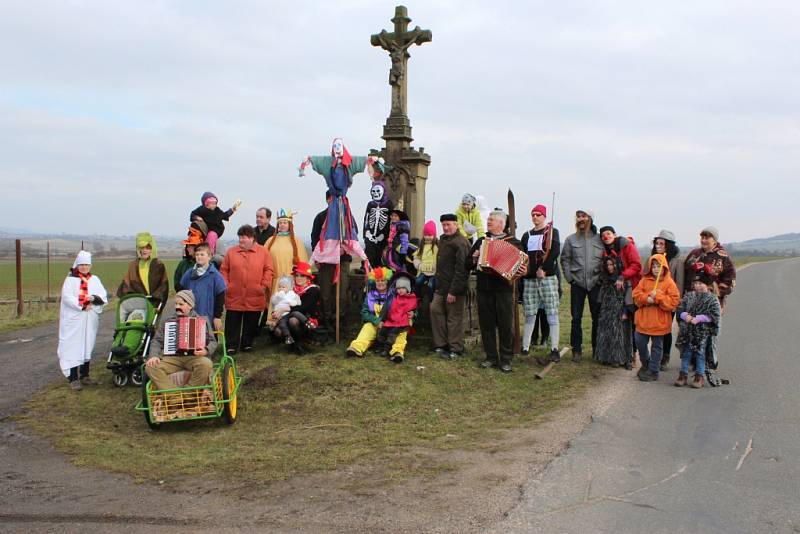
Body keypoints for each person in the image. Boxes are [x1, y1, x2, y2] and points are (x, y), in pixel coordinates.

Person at [299, 138, 374, 264]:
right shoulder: (328, 162)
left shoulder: (349, 162)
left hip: (342, 202)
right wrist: (308, 159)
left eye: (339, 145)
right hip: (335, 202)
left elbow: (361, 160)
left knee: (346, 227)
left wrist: (370, 160)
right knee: (330, 228)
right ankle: (315, 258)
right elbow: (316, 159)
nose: (337, 148)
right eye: (335, 146)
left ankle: (358, 255)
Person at [145, 290, 217, 419]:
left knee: (206, 364)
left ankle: (188, 396)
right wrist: (154, 355)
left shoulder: (202, 320)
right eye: (176, 303)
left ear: (190, 305)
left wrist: (205, 350)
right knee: (150, 367)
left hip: (194, 357)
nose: (177, 307)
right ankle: (174, 396)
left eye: (181, 304)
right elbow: (156, 340)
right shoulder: (168, 321)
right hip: (173, 357)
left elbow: (213, 341)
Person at [469, 209, 525, 373]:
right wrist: (474, 257)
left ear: (501, 223)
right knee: (486, 324)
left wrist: (523, 270)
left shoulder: (513, 242)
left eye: (491, 220)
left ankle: (506, 359)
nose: (488, 221)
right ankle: (491, 357)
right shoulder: (481, 241)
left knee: (505, 325)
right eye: (488, 219)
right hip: (484, 289)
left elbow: (522, 265)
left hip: (503, 290)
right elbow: (468, 263)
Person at [682, 226, 736, 385]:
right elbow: (685, 275)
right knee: (691, 332)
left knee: (710, 335)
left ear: (715, 239)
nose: (704, 240)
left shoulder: (723, 257)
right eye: (702, 237)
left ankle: (709, 367)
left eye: (708, 237)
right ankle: (694, 365)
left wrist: (716, 291)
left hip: (712, 303)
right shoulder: (694, 254)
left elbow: (730, 281)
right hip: (692, 301)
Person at [57, 251, 108, 391]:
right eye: (82, 265)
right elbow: (67, 297)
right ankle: (73, 377)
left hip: (89, 319)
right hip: (75, 320)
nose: (84, 267)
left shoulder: (94, 279)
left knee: (87, 345)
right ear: (78, 265)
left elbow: (103, 296)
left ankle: (85, 375)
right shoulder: (70, 280)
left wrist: (94, 299)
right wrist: (82, 305)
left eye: (87, 264)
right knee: (73, 346)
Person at [221, 225, 274, 354]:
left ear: (252, 238)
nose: (241, 240)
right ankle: (231, 345)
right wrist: (226, 285)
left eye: (244, 237)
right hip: (234, 293)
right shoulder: (231, 252)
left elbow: (269, 269)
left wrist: (263, 285)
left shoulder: (263, 252)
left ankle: (247, 344)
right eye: (240, 237)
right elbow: (224, 270)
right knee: (232, 321)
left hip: (255, 293)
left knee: (251, 321)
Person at [520, 204, 561, 363]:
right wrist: (525, 270)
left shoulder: (552, 232)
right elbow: (523, 255)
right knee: (530, 312)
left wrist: (544, 268)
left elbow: (554, 251)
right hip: (530, 279)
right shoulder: (527, 235)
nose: (535, 217)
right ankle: (525, 347)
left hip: (547, 278)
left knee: (551, 311)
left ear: (544, 216)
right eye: (533, 215)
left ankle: (554, 348)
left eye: (538, 215)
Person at [560, 209, 604, 362]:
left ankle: (597, 350)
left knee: (597, 318)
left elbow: (607, 259)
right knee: (576, 318)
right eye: (578, 217)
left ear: (590, 219)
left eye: (584, 216)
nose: (580, 219)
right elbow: (565, 259)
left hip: (596, 283)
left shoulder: (600, 239)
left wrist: (601, 278)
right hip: (577, 283)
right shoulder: (570, 240)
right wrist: (569, 278)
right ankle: (576, 350)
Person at [633, 254, 680, 382]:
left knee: (657, 347)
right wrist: (647, 298)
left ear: (664, 267)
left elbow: (673, 301)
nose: (656, 269)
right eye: (653, 266)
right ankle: (646, 364)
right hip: (643, 320)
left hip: (659, 322)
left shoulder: (669, 283)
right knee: (639, 341)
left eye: (658, 266)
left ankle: (653, 370)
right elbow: (636, 295)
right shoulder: (644, 280)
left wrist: (658, 298)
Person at [430, 214, 471, 360]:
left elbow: (462, 269)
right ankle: (441, 345)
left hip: (454, 289)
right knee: (435, 310)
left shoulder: (461, 242)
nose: (446, 228)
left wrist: (454, 291)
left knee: (453, 318)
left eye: (449, 225)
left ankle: (455, 348)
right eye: (443, 225)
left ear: (456, 224)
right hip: (440, 287)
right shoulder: (443, 240)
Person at [311, 193, 355, 328]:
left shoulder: (347, 217)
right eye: (332, 199)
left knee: (341, 292)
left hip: (343, 260)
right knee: (325, 292)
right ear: (328, 200)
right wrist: (318, 258)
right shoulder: (320, 217)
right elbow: (315, 239)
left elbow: (353, 236)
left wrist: (346, 248)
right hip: (325, 261)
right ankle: (326, 319)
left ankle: (339, 319)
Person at [674, 265, 721, 388]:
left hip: (702, 332)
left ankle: (699, 376)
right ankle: (683, 374)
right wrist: (685, 316)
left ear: (708, 285)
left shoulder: (712, 299)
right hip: (687, 332)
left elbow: (715, 315)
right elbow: (680, 309)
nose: (698, 286)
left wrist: (700, 318)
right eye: (696, 283)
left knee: (700, 354)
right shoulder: (689, 296)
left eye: (701, 283)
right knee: (686, 353)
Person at [648, 230, 684, 370]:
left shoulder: (677, 262)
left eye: (661, 243)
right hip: (653, 301)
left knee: (665, 329)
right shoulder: (653, 259)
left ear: (668, 245)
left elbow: (679, 283)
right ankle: (656, 355)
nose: (658, 246)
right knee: (654, 328)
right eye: (657, 243)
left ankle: (665, 356)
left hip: (668, 302)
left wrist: (675, 303)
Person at [265, 209, 309, 318]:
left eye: (285, 222)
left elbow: (302, 262)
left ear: (290, 224)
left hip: (291, 281)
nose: (282, 225)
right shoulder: (270, 241)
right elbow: (264, 259)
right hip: (275, 281)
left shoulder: (297, 241)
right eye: (280, 223)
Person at [271, 262, 322, 354]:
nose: (298, 278)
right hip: (287, 316)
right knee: (278, 332)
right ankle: (291, 343)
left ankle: (300, 343)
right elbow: (279, 302)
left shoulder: (313, 290)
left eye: (302, 276)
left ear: (308, 278)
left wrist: (285, 309)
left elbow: (305, 308)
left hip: (305, 318)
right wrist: (276, 311)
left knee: (293, 320)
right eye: (296, 275)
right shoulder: (289, 289)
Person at [346, 267, 394, 357]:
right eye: (377, 281)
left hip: (389, 324)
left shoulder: (393, 295)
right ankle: (355, 348)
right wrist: (376, 321)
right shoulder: (370, 295)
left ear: (387, 281)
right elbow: (365, 313)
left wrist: (385, 322)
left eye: (383, 280)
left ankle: (396, 352)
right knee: (367, 329)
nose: (380, 283)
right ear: (374, 282)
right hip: (373, 323)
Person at [595, 256, 633, 367]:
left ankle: (618, 358)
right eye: (607, 265)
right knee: (606, 334)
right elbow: (601, 296)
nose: (609, 267)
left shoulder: (624, 280)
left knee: (619, 336)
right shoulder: (605, 279)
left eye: (611, 264)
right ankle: (606, 357)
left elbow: (628, 297)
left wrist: (625, 312)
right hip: (606, 311)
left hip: (619, 310)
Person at [179, 243, 226, 331]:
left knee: (208, 342)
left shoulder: (215, 275)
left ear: (209, 256)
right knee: (190, 341)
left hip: (208, 318)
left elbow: (220, 297)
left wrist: (217, 317)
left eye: (202, 254)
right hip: (190, 316)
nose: (199, 257)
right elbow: (181, 292)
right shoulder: (188, 274)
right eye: (197, 254)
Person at [117, 232, 169, 307]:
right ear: (138, 249)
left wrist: (157, 299)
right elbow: (126, 284)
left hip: (154, 304)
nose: (144, 251)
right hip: (137, 304)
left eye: (147, 248)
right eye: (142, 248)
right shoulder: (133, 265)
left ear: (152, 249)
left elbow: (163, 286)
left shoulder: (158, 265)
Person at [375, 272, 417, 363]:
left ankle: (393, 351)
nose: (400, 290)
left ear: (408, 289)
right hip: (392, 319)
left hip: (403, 323)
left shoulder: (412, 298)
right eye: (398, 288)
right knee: (383, 331)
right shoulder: (393, 297)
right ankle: (380, 347)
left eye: (403, 288)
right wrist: (382, 319)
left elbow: (415, 309)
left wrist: (414, 313)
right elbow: (386, 308)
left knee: (394, 335)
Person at [363, 179, 394, 268]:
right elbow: (366, 220)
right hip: (370, 238)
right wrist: (365, 235)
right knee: (369, 258)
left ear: (383, 191)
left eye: (378, 191)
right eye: (373, 191)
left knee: (380, 261)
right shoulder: (370, 204)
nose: (375, 193)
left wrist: (389, 238)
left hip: (383, 238)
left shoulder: (389, 204)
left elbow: (392, 221)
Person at [268, 276, 302, 345]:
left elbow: (298, 302)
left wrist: (294, 303)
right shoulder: (277, 295)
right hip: (281, 316)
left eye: (283, 287)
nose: (281, 288)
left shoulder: (292, 294)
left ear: (288, 287)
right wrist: (278, 297)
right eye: (280, 287)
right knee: (282, 325)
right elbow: (273, 302)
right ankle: (288, 338)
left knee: (296, 316)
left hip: (289, 314)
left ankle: (307, 323)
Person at [413, 220, 438, 307]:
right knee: (418, 281)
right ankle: (417, 298)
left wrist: (435, 266)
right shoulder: (422, 246)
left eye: (430, 235)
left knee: (431, 285)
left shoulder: (437, 247)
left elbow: (440, 259)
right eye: (426, 235)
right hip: (423, 270)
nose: (427, 237)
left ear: (434, 235)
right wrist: (419, 265)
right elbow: (416, 257)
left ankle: (432, 301)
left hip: (433, 271)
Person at [384, 209, 416, 274]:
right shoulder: (393, 226)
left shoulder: (402, 226)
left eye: (395, 216)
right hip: (392, 250)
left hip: (398, 251)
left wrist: (403, 254)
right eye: (392, 216)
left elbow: (404, 241)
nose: (393, 217)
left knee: (399, 267)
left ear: (400, 218)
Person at [174, 226, 204, 292]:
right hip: (184, 298)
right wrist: (178, 287)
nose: (187, 248)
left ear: (196, 248)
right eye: (187, 246)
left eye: (189, 246)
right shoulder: (183, 263)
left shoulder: (205, 264)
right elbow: (177, 277)